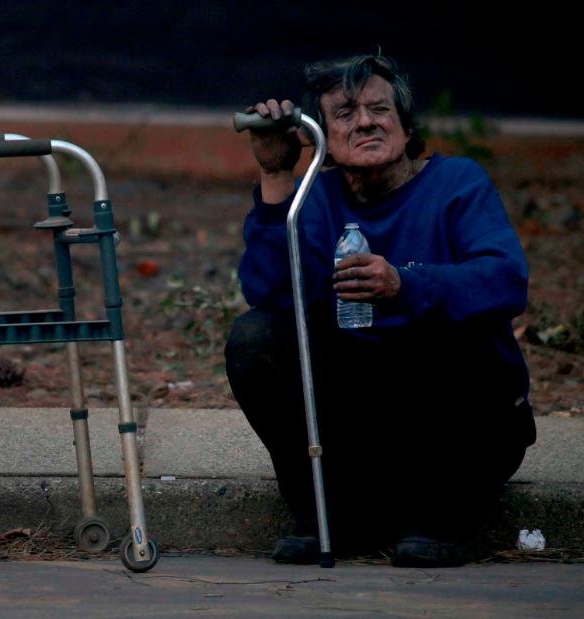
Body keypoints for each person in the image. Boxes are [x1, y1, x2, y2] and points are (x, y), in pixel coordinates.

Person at [224, 55, 536, 567]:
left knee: (462, 327)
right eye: (345, 114)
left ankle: (445, 517)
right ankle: (326, 514)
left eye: (379, 109)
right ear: (322, 137)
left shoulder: (457, 182)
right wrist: (278, 175)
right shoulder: (318, 198)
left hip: (465, 427)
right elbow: (272, 295)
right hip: (364, 426)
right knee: (256, 338)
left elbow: (506, 280)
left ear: (406, 125)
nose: (365, 121)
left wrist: (405, 284)